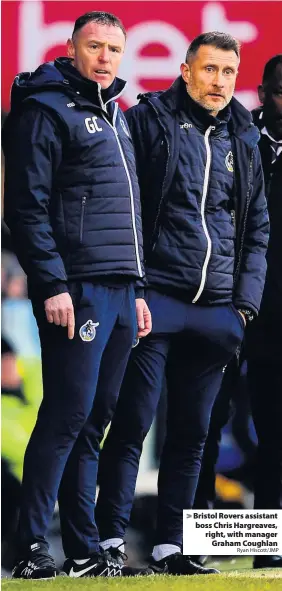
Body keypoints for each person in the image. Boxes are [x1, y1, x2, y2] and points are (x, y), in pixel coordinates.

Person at [95, 32, 269, 575]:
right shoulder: (150, 120)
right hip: (157, 301)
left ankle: (175, 547)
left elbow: (256, 227)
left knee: (194, 435)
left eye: (228, 72)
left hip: (218, 311)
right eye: (210, 69)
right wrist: (136, 290)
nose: (219, 82)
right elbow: (129, 209)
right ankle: (108, 544)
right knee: (133, 423)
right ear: (185, 70)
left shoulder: (244, 134)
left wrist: (243, 308)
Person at [3, 11, 152, 579]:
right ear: (72, 47)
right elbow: (27, 206)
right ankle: (29, 548)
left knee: (95, 420)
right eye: (96, 45)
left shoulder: (118, 114)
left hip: (119, 288)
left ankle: (86, 551)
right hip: (77, 287)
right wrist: (52, 284)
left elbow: (129, 213)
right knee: (66, 416)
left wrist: (137, 288)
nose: (106, 57)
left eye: (115, 48)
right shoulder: (45, 108)